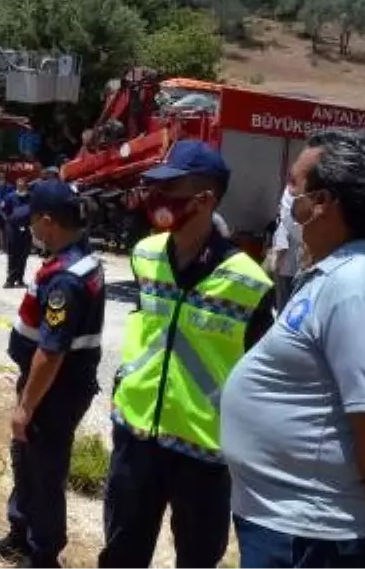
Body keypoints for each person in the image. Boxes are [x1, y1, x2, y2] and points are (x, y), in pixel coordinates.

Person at [99, 140, 275, 569]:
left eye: (172, 189)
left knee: (197, 558)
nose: (159, 199)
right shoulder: (146, 255)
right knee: (121, 551)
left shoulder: (248, 283)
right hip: (137, 435)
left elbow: (261, 374)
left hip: (204, 450)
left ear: (205, 199)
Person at [221, 128, 365, 569]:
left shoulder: (357, 286)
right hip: (289, 525)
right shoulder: (336, 273)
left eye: (294, 185)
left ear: (324, 203)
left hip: (313, 535)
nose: (286, 197)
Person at [0, 180, 104, 569]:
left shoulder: (66, 278)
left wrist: (25, 406)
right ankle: (21, 534)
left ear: (48, 222)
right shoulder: (78, 259)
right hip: (50, 387)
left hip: (54, 391)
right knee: (26, 457)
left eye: (31, 221)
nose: (28, 229)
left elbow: (51, 352)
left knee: (45, 470)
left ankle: (43, 553)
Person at [265, 185, 302, 313]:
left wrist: (274, 264)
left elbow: (281, 246)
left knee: (283, 302)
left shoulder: (285, 223)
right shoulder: (300, 225)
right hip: (297, 269)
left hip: (283, 270)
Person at [2, 177, 34, 288]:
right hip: (13, 229)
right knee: (13, 255)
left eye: (23, 185)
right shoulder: (10, 197)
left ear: (26, 185)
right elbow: (3, 210)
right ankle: (10, 280)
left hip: (26, 228)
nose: (21, 187)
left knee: (23, 255)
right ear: (16, 185)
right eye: (19, 185)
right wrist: (9, 220)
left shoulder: (31, 197)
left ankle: (20, 279)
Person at [0, 174, 14, 252]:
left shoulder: (10, 187)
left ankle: (8, 247)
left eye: (3, 178)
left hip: (8, 211)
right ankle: (1, 247)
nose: (1, 180)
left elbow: (12, 197)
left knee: (8, 229)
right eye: (0, 178)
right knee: (0, 230)